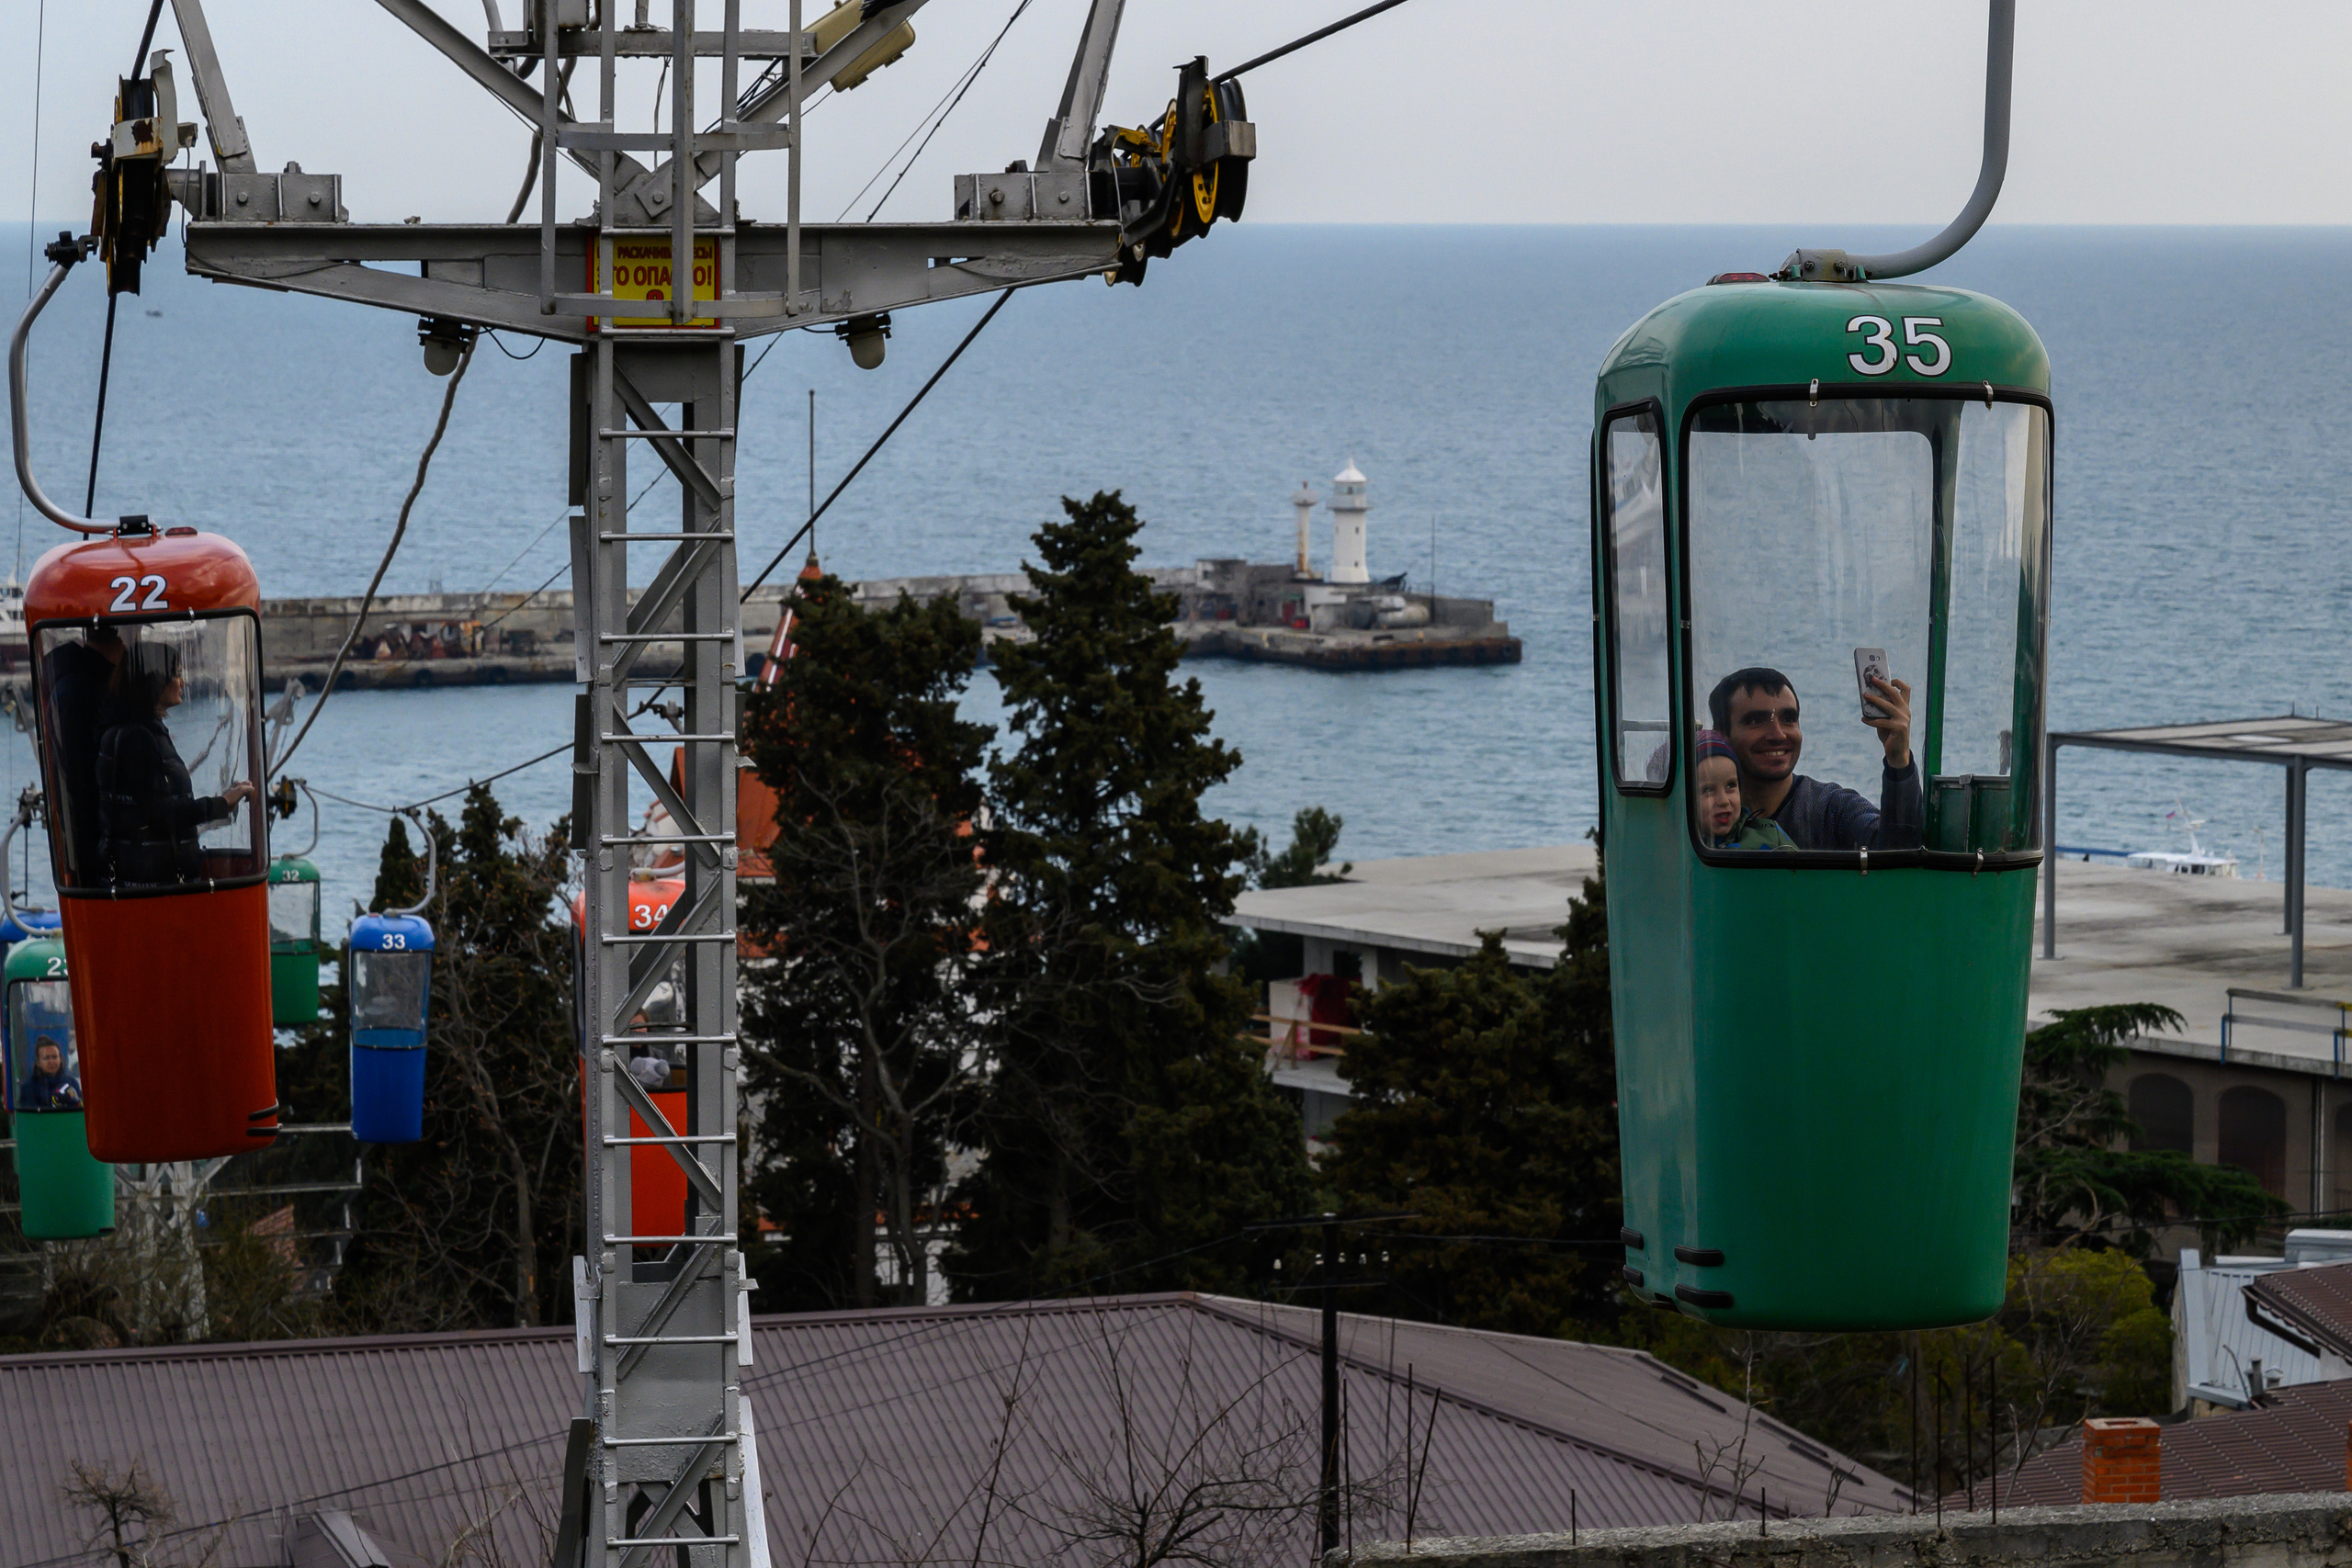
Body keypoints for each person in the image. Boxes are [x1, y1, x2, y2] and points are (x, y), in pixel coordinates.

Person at [1708, 666, 1923, 852]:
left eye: (1789, 719)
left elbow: (1896, 850)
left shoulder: (1832, 808)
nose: (1778, 734)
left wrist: (1898, 759)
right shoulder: (1700, 813)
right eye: (1756, 721)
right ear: (1719, 736)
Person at [96, 642, 257, 886]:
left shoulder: (129, 731)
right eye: (177, 674)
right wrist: (222, 803)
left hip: (142, 877)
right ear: (155, 678)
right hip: (151, 884)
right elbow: (161, 815)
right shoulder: (139, 739)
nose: (183, 682)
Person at [43, 625, 126, 882]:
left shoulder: (71, 681)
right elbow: (82, 774)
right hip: (93, 834)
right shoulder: (83, 690)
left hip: (86, 831)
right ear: (118, 641)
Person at [1692, 729, 1796, 852]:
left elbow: (1799, 870)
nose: (1724, 801)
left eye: (1731, 786)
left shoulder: (1771, 838)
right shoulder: (1673, 849)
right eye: (1708, 789)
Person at [18, 1034, 82, 1111]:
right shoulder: (29, 1087)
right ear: (38, 1062)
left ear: (60, 1058)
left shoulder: (72, 1083)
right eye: (47, 1058)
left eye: (55, 1057)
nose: (51, 1061)